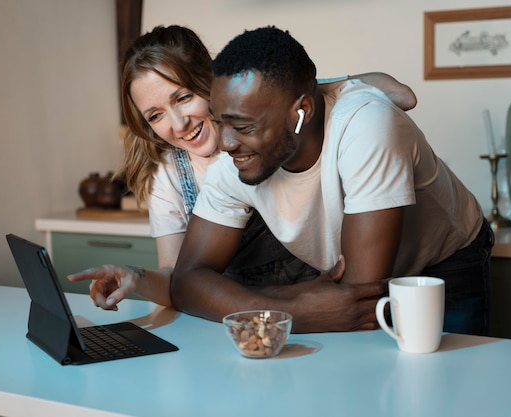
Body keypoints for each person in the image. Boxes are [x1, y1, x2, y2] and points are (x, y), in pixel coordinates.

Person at [68, 25, 418, 319]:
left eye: (184, 97)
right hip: (247, 315)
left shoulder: (281, 134)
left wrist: (334, 88)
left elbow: (399, 95)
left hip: (327, 301)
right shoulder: (172, 176)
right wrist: (138, 277)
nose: (178, 124)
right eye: (155, 115)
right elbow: (179, 280)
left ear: (213, 82)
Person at [170, 26, 492, 335]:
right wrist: (294, 307)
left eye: (243, 126)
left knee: (435, 383)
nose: (225, 143)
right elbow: (185, 283)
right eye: (219, 122)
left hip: (441, 266)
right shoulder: (239, 155)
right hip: (356, 278)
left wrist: (275, 305)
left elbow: (358, 301)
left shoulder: (366, 124)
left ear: (302, 111)